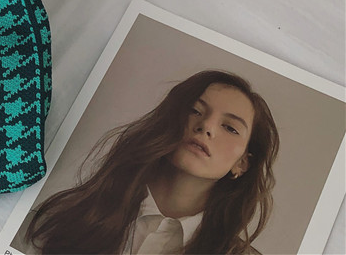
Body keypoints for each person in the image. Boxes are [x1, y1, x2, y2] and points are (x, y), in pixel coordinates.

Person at [24, 70, 280, 254]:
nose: (206, 126)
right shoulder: (68, 217)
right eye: (195, 110)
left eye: (230, 128)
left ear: (242, 163)